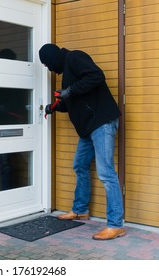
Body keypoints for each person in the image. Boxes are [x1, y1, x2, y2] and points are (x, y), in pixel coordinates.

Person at [39, 43, 125, 240]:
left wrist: (70, 91)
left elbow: (96, 76)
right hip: (88, 128)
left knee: (106, 173)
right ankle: (80, 210)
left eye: (47, 64)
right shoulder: (67, 72)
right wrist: (56, 107)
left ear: (52, 57)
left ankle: (115, 225)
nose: (50, 69)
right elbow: (75, 102)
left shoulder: (74, 57)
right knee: (80, 165)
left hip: (101, 122)